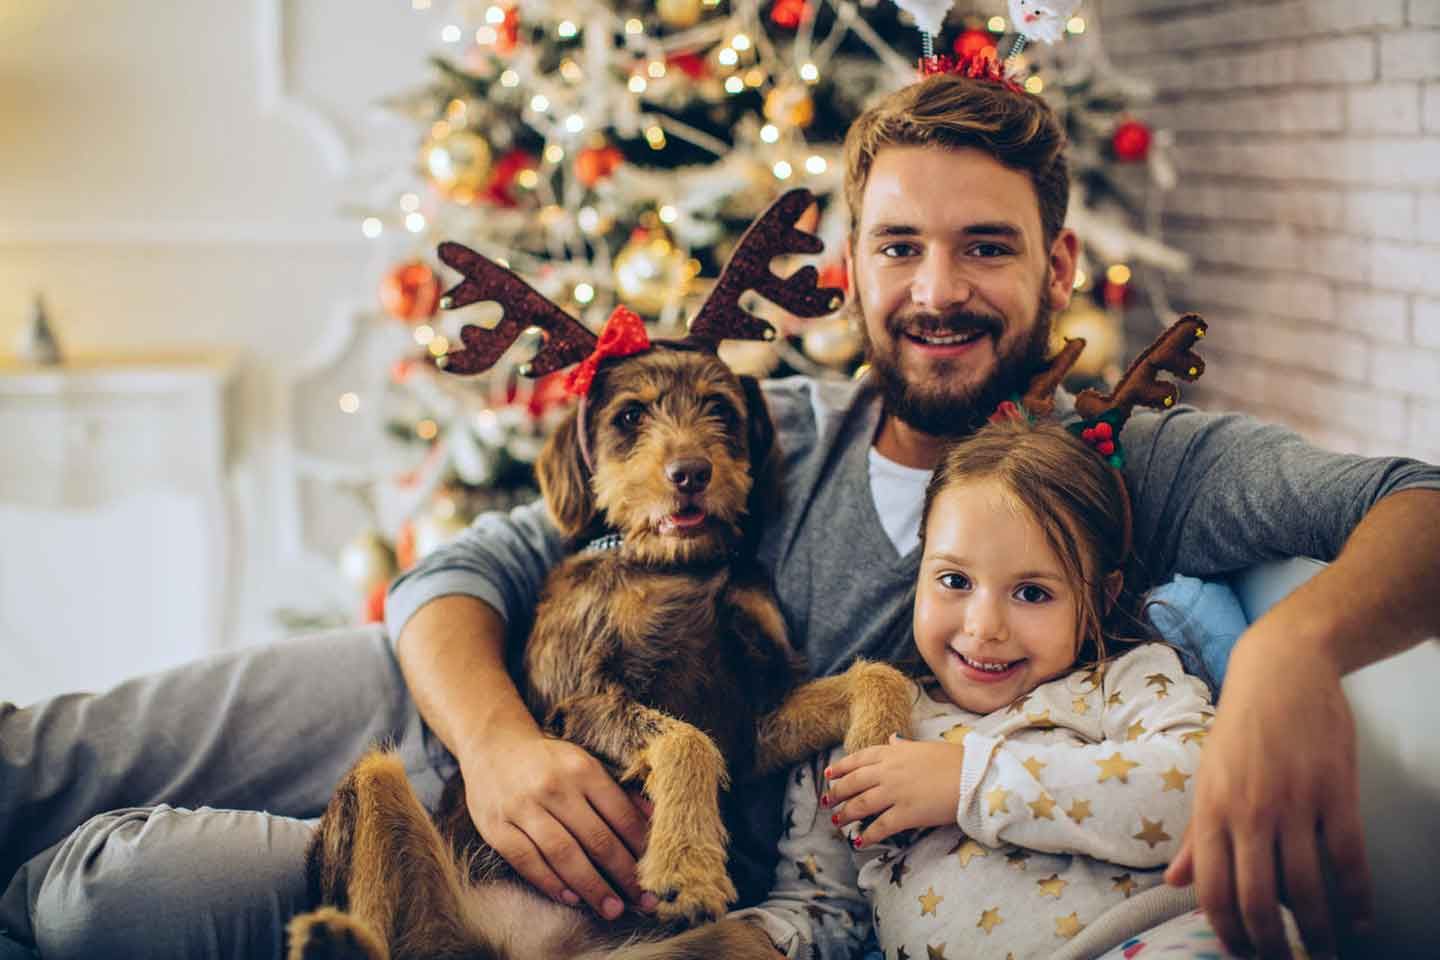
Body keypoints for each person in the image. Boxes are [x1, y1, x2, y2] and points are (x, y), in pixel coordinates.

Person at [3, 64, 1438, 960]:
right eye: (901, 247)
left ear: (1056, 262)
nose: (938, 290)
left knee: (109, 900)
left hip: (577, 854)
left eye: (986, 248)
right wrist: (497, 742)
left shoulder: (1129, 469)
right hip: (471, 701)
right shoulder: (778, 426)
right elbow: (472, 564)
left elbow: (1416, 507)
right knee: (54, 757)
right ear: (855, 268)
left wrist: (1292, 652)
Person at [728, 410, 1273, 959]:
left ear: (1100, 600)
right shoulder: (860, 737)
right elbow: (822, 909)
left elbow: (1201, 791)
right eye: (954, 581)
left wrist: (971, 782)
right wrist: (745, 944)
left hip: (1153, 938)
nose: (984, 627)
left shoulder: (1123, 681)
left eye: (1033, 593)